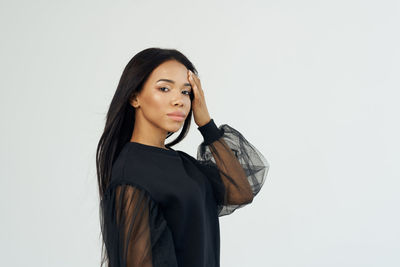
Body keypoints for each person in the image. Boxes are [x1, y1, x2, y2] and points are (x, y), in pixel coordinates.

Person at [96, 47, 270, 267]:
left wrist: (206, 122)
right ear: (134, 97)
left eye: (186, 92)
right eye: (164, 88)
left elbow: (240, 192)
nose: (179, 100)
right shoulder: (131, 173)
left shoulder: (182, 162)